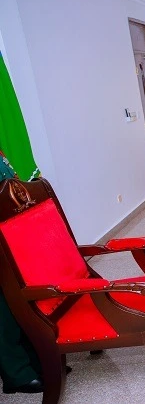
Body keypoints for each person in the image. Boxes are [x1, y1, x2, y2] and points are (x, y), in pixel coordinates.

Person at [0, 149, 44, 395]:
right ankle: (16, 374)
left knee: (16, 301)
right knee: (4, 310)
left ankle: (34, 363)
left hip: (9, 234)